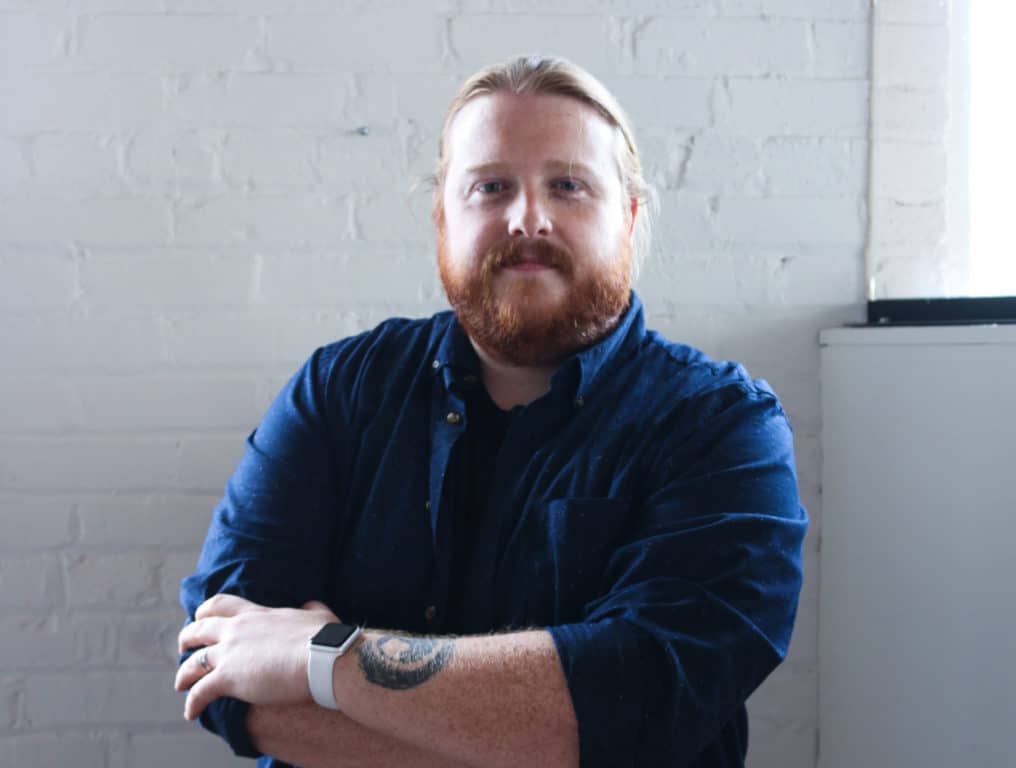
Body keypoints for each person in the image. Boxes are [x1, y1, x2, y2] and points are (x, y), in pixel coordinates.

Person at [175, 55, 807, 768]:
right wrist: (525, 732)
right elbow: (217, 669)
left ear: (629, 217)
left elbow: (650, 697)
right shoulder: (341, 390)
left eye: (567, 185)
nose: (527, 217)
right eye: (491, 187)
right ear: (443, 215)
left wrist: (323, 656)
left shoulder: (723, 427)